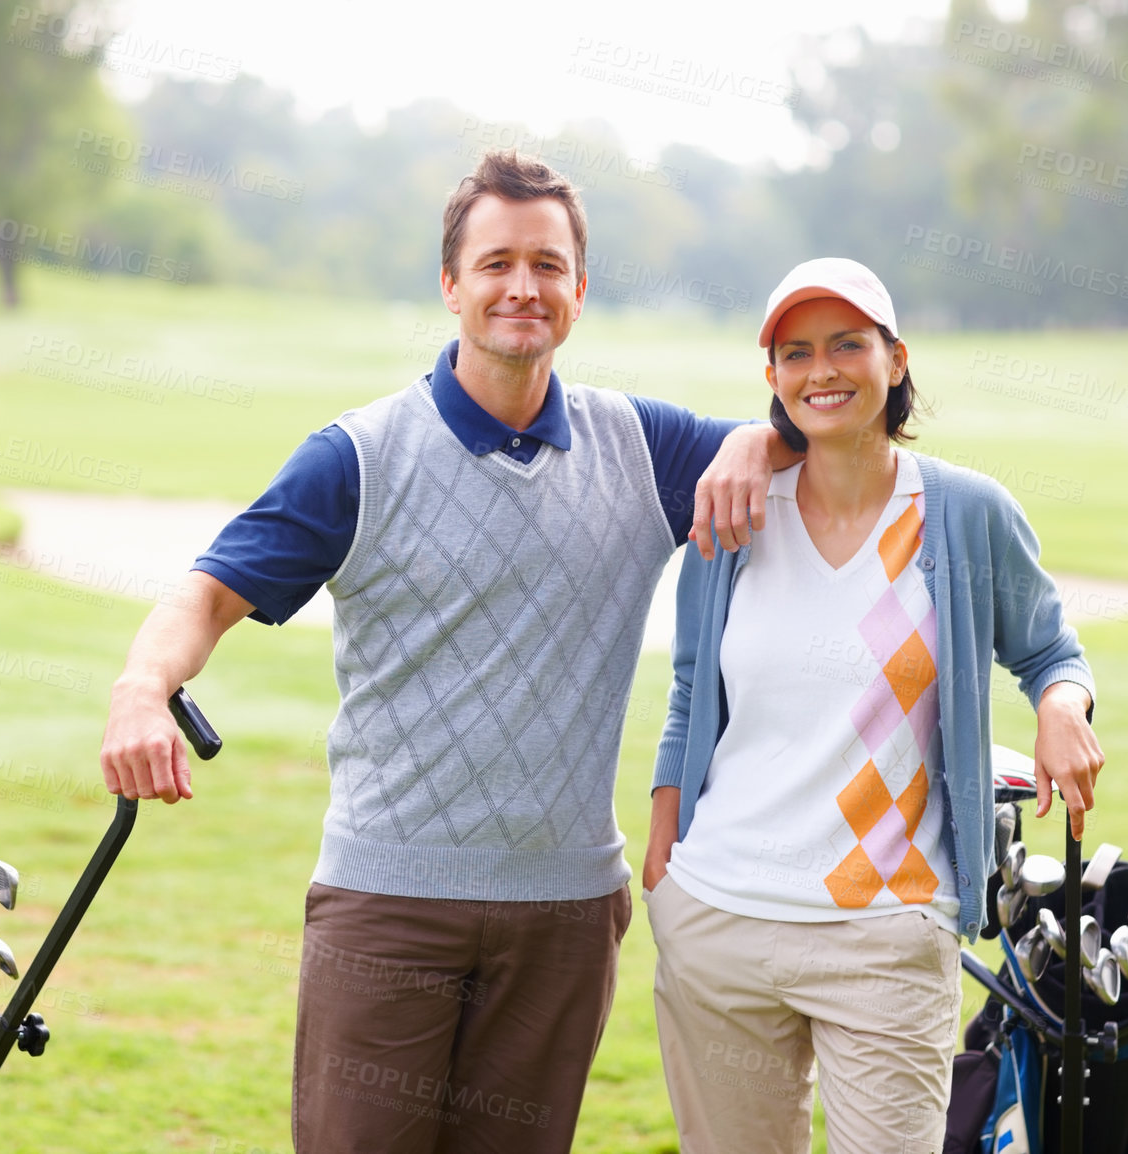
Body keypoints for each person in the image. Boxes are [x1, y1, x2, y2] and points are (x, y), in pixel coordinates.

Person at [99, 150, 792, 1154]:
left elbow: (831, 431)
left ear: (579, 290)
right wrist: (138, 688)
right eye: (497, 262)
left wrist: (749, 442)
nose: (523, 286)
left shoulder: (643, 448)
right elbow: (204, 595)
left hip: (561, 913)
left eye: (548, 265)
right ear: (451, 284)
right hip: (388, 909)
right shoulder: (359, 455)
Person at [641, 257, 1106, 1153]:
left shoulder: (964, 513)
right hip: (718, 924)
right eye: (797, 352)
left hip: (887, 938)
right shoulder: (732, 511)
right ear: (772, 378)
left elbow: (1052, 649)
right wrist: (667, 864)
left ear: (895, 360)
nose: (823, 371)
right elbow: (692, 687)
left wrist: (1062, 707)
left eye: (847, 345)